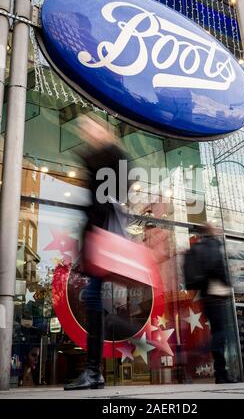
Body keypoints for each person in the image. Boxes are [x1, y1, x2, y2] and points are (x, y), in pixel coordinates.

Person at [64, 114, 129, 391]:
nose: (86, 132)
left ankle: (93, 371)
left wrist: (94, 156)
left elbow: (116, 193)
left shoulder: (114, 155)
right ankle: (94, 371)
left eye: (90, 127)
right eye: (84, 129)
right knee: (94, 300)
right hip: (97, 238)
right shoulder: (99, 157)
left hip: (103, 238)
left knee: (94, 300)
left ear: (104, 131)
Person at [191, 223, 238, 384]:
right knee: (221, 334)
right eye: (216, 228)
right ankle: (221, 373)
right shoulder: (212, 244)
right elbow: (216, 267)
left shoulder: (199, 246)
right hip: (217, 293)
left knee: (218, 333)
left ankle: (221, 372)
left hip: (206, 295)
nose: (219, 229)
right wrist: (227, 282)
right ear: (211, 231)